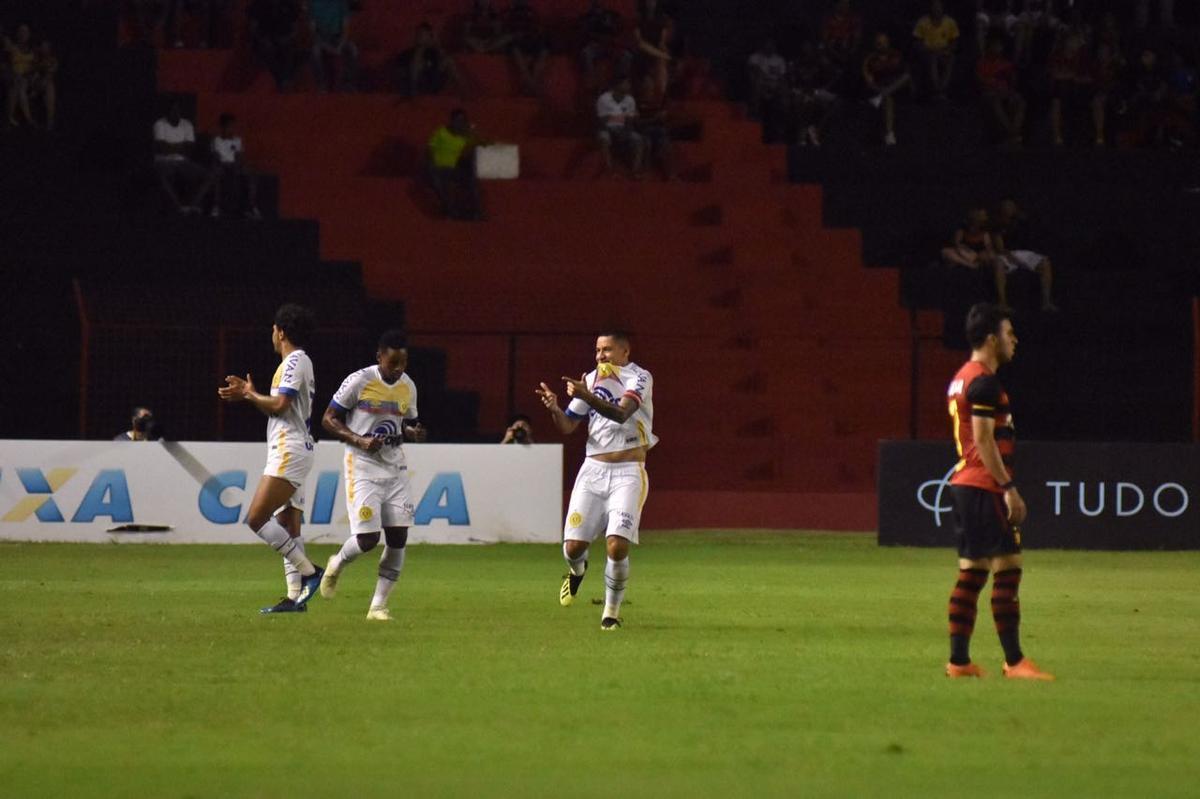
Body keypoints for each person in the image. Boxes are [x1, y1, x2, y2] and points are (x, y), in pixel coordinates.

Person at [944, 303, 1053, 681]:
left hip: (965, 486)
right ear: (992, 339)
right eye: (1009, 333)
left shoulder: (962, 377)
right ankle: (1015, 661)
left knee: (972, 573)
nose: (1014, 340)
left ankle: (959, 662)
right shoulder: (985, 382)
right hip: (983, 486)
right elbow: (983, 439)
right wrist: (1007, 487)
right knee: (1008, 570)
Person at [535, 332, 657, 630]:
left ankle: (610, 614)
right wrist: (555, 409)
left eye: (607, 350)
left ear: (625, 352)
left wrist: (587, 396)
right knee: (573, 548)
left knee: (617, 545)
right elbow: (568, 426)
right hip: (592, 471)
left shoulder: (639, 377)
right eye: (598, 350)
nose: (601, 356)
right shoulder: (590, 380)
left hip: (628, 471)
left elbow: (622, 413)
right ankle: (577, 571)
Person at [217, 303, 324, 614]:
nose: (272, 334)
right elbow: (281, 406)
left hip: (289, 450)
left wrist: (249, 394)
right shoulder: (299, 362)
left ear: (281, 332)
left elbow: (278, 405)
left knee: (256, 518)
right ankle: (295, 598)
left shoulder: (294, 361)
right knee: (288, 524)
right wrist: (252, 394)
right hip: (295, 448)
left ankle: (309, 572)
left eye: (274, 329)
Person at [319, 330, 426, 621]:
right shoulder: (360, 381)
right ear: (379, 357)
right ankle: (337, 563)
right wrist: (359, 439)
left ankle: (378, 606)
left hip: (395, 468)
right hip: (362, 466)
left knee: (398, 537)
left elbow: (405, 424)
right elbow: (328, 418)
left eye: (403, 363)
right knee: (367, 539)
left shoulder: (408, 386)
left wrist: (413, 432)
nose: (399, 369)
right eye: (393, 363)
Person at [991, 199, 1057, 311]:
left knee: (1045, 262)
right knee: (998, 263)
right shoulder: (998, 225)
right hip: (1008, 253)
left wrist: (1026, 260)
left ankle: (1046, 302)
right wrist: (1011, 258)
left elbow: (1031, 241)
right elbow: (1000, 248)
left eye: (1011, 206)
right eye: (1007, 207)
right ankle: (1002, 303)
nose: (1009, 209)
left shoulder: (1022, 222)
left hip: (1025, 253)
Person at [152, 100, 216, 214]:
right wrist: (180, 146)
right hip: (163, 161)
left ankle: (192, 205)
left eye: (177, 110)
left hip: (183, 162)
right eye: (172, 110)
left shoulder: (187, 124)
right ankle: (178, 207)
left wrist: (171, 146)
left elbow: (189, 148)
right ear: (167, 112)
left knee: (208, 176)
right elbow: (162, 148)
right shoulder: (159, 124)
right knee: (161, 176)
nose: (175, 113)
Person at [426, 108, 483, 220]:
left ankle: (476, 212)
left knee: (472, 182)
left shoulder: (467, 136)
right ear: (451, 121)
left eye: (462, 120)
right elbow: (430, 149)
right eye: (457, 120)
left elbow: (473, 153)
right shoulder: (441, 132)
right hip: (440, 168)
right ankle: (450, 210)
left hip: (457, 169)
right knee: (437, 180)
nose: (459, 123)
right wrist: (432, 164)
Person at [862, 32, 911, 146]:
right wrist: (878, 89)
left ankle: (883, 94)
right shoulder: (870, 60)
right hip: (881, 89)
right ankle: (889, 133)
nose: (883, 45)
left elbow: (906, 74)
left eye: (884, 42)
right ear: (875, 45)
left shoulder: (896, 55)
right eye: (879, 43)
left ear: (888, 43)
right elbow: (869, 82)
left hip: (898, 88)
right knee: (888, 99)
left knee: (906, 77)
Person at [977, 35, 1025, 147]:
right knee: (996, 102)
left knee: (1021, 102)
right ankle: (1013, 133)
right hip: (990, 92)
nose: (997, 49)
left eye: (999, 46)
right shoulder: (982, 63)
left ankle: (1013, 132)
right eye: (995, 46)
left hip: (1006, 92)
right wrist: (993, 84)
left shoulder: (1006, 64)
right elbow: (981, 80)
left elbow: (1013, 81)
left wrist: (1010, 89)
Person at [211, 113, 261, 219]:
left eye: (233, 126)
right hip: (222, 165)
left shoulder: (237, 140)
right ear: (223, 127)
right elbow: (216, 157)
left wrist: (238, 165)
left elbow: (239, 157)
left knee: (251, 174)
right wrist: (225, 164)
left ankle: (251, 207)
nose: (231, 129)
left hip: (235, 165)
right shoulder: (216, 140)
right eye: (229, 126)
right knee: (217, 173)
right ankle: (216, 206)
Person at [396, 22, 464, 98]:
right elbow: (400, 69)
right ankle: (414, 95)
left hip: (433, 81)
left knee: (449, 60)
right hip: (417, 84)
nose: (420, 37)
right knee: (418, 58)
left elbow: (444, 60)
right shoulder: (408, 53)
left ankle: (463, 92)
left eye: (423, 34)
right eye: (418, 34)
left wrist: (436, 45)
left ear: (429, 37)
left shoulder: (434, 52)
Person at [247, 0, 301, 91]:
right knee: (267, 50)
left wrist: (289, 37)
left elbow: (296, 26)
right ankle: (280, 79)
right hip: (265, 38)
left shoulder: (289, 4)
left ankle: (285, 79)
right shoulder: (258, 4)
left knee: (289, 50)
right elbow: (253, 27)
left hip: (285, 37)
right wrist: (262, 39)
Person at [596, 76, 644, 177]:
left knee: (638, 139)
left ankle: (635, 171)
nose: (629, 86)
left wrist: (626, 131)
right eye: (626, 84)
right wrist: (618, 121)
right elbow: (602, 121)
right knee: (603, 138)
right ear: (617, 85)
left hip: (623, 129)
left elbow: (629, 120)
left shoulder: (630, 100)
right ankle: (609, 170)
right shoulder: (604, 99)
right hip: (606, 129)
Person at [913, 0, 960, 101]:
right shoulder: (922, 22)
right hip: (928, 52)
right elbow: (917, 43)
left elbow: (955, 42)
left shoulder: (950, 22)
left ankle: (942, 89)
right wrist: (929, 50)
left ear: (943, 7)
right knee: (933, 58)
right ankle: (938, 91)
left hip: (944, 52)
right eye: (934, 6)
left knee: (951, 60)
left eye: (939, 6)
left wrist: (947, 50)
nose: (936, 9)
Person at [308, 0, 358, 92]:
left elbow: (346, 27)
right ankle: (321, 84)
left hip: (338, 37)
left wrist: (341, 44)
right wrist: (325, 45)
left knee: (353, 50)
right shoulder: (314, 4)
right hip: (322, 39)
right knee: (315, 52)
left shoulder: (341, 3)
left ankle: (348, 83)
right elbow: (313, 32)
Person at [505, 0, 550, 96]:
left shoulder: (531, 12)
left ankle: (530, 85)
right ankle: (532, 85)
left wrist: (533, 33)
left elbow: (537, 27)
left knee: (544, 50)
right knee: (516, 50)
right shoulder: (509, 12)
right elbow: (508, 29)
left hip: (531, 39)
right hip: (516, 41)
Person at [746, 38, 788, 122]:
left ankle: (784, 116)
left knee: (785, 88)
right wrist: (764, 80)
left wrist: (779, 85)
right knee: (757, 83)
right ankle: (755, 113)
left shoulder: (779, 60)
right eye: (767, 44)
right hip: (760, 83)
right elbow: (752, 72)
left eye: (771, 45)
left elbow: (782, 77)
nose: (769, 47)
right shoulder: (755, 57)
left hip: (775, 84)